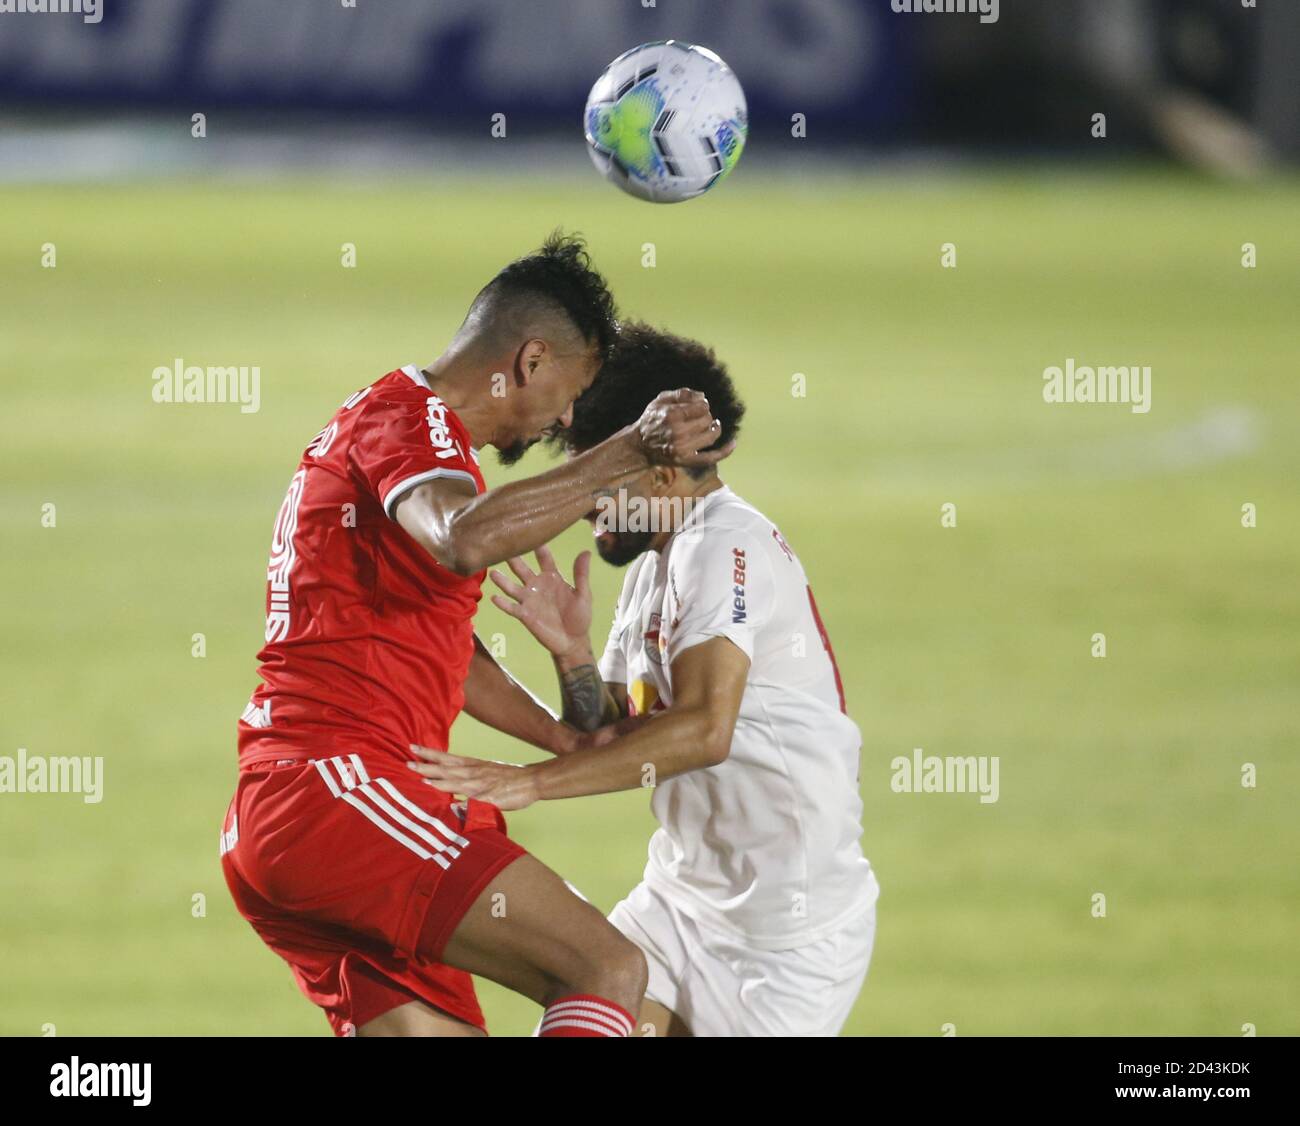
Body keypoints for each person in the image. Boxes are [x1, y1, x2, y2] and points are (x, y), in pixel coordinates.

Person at [220, 240, 732, 1038]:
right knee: (606, 969)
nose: (567, 419)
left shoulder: (411, 444)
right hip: (339, 792)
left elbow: (439, 654)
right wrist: (627, 451)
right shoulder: (406, 420)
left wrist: (562, 732)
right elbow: (461, 538)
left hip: (299, 816)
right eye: (572, 394)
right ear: (531, 360)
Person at [412, 323, 879, 1037]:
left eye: (601, 478)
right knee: (589, 986)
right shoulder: (655, 565)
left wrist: (531, 782)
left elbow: (703, 731)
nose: (584, 499)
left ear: (660, 472)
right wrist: (572, 654)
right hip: (679, 903)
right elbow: (610, 732)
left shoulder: (726, 545)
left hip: (785, 941)